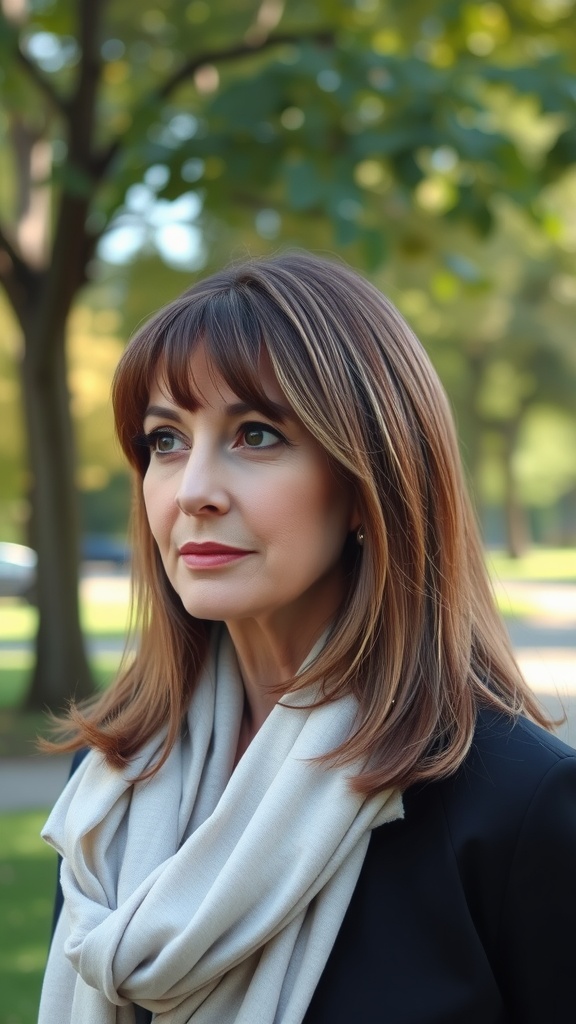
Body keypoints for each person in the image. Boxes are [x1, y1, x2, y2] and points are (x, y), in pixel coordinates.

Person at [39, 251, 576, 1024]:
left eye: (256, 435)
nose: (193, 491)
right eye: (166, 440)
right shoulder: (109, 789)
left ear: (370, 486)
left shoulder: (514, 809)